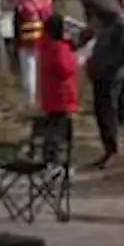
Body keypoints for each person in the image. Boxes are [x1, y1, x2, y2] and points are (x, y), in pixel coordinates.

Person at [83, 0, 124, 169]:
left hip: (112, 75)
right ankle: (107, 149)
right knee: (101, 113)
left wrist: (107, 66)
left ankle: (113, 150)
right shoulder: (105, 23)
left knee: (109, 112)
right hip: (99, 74)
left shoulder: (122, 23)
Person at [37, 13, 78, 163]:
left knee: (51, 128)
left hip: (51, 95)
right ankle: (55, 160)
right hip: (62, 95)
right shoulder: (59, 47)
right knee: (59, 131)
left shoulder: (45, 46)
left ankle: (50, 157)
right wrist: (74, 58)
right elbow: (65, 68)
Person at [14, 0, 53, 108]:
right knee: (43, 74)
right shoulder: (45, 3)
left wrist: (16, 43)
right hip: (44, 41)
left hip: (27, 42)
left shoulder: (21, 5)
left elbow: (17, 25)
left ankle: (30, 102)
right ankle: (45, 100)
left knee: (29, 74)